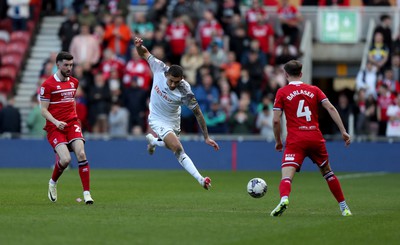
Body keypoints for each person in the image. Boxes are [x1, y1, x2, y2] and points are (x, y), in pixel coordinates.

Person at [133, 36, 220, 190]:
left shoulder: (185, 91)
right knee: (178, 149)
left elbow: (198, 113)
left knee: (171, 146)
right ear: (167, 75)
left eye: (177, 82)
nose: (173, 84)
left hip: (173, 120)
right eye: (171, 81)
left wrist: (206, 137)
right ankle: (201, 179)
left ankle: (154, 142)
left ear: (182, 79)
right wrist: (139, 46)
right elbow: (144, 53)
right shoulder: (159, 68)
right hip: (157, 118)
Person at [270, 60, 352, 217]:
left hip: (296, 140)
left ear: (286, 74)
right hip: (315, 137)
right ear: (301, 74)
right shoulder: (314, 89)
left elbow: (275, 120)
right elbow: (330, 107)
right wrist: (343, 131)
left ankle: (284, 199)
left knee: (287, 176)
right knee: (328, 173)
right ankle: (344, 207)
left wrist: (278, 141)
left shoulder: (282, 92)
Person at [40, 51, 94, 204]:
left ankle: (87, 194)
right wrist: (56, 122)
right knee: (65, 159)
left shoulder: (74, 82)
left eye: (71, 65)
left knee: (81, 154)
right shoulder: (47, 85)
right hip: (55, 127)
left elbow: (72, 101)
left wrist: (75, 118)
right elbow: (43, 110)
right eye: (66, 65)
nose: (69, 68)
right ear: (58, 65)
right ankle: (52, 182)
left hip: (71, 123)